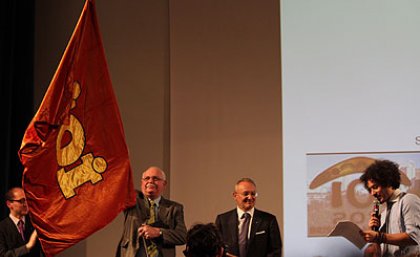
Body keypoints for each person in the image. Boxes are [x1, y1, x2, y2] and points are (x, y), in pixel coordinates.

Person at [116, 166, 187, 257]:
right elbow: (119, 184)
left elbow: (182, 236)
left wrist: (158, 232)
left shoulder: (174, 208)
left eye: (155, 178)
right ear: (142, 183)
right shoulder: (133, 200)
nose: (150, 181)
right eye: (147, 178)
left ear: (164, 184)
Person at [360, 159, 420, 257]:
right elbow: (379, 254)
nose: (372, 193)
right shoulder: (383, 215)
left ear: (388, 182)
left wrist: (379, 237)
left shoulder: (408, 200)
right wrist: (375, 235)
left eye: (375, 187)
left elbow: (414, 237)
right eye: (370, 189)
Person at [215, 178, 282, 257]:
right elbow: (216, 250)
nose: (250, 197)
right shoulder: (223, 220)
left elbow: (275, 251)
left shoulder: (269, 220)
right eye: (246, 193)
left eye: (253, 194)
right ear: (235, 195)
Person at [0, 187, 43, 257]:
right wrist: (28, 246)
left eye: (26, 200)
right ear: (9, 204)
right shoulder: (2, 228)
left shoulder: (34, 222)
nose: (26, 204)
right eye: (22, 201)